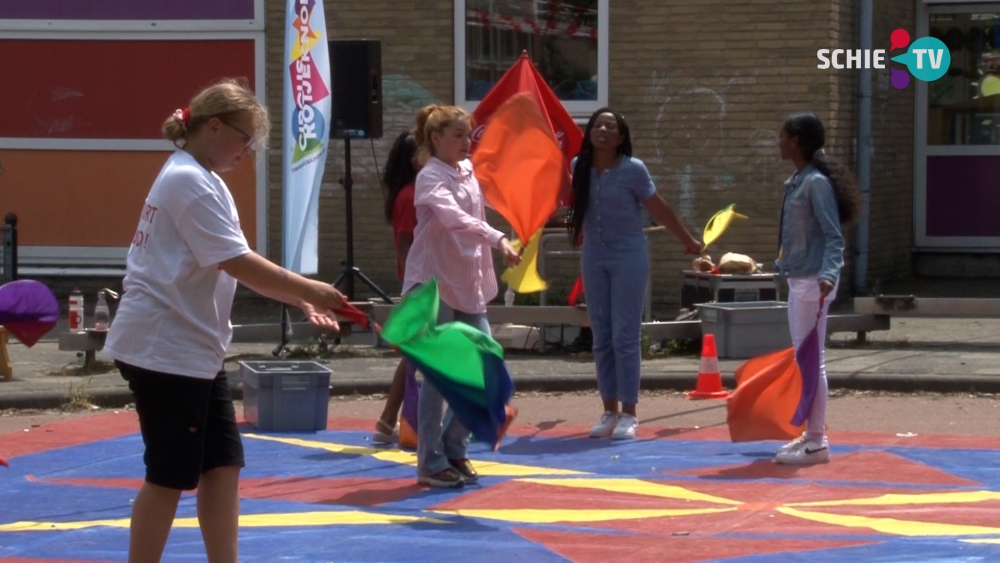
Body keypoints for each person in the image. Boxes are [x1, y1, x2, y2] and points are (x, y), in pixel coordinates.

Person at [103, 79, 347, 563]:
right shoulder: (188, 181)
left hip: (192, 349)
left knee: (222, 465)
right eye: (245, 138)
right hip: (166, 349)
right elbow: (237, 261)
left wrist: (296, 299)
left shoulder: (202, 176)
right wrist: (306, 288)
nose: (248, 151)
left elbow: (234, 260)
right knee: (170, 474)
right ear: (213, 126)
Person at [403, 104, 521, 488]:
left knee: (488, 365)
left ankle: (455, 446)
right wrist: (498, 237)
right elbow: (454, 218)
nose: (465, 141)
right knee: (440, 376)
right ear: (435, 139)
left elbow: (484, 207)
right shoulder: (429, 178)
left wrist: (522, 215)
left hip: (467, 280)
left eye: (468, 134)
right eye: (457, 135)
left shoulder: (467, 171)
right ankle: (430, 462)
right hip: (433, 283)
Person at [568, 108, 702, 441]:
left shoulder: (633, 170)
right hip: (594, 258)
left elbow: (658, 207)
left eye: (610, 127)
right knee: (600, 334)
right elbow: (576, 204)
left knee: (624, 335)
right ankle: (608, 409)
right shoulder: (578, 166)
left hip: (628, 256)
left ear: (621, 137)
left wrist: (687, 239)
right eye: (597, 125)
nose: (602, 130)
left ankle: (629, 413)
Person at [774, 112, 860, 465]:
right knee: (804, 359)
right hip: (802, 276)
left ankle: (817, 440)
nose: (778, 142)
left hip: (814, 281)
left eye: (782, 136)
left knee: (811, 361)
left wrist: (827, 274)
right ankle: (811, 435)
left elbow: (832, 236)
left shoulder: (815, 184)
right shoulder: (798, 181)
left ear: (796, 141)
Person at [373, 131, 419, 444]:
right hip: (422, 284)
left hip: (422, 282)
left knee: (415, 355)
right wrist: (414, 283)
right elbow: (405, 242)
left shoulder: (411, 192)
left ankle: (389, 421)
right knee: (416, 355)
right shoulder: (410, 195)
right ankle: (391, 420)